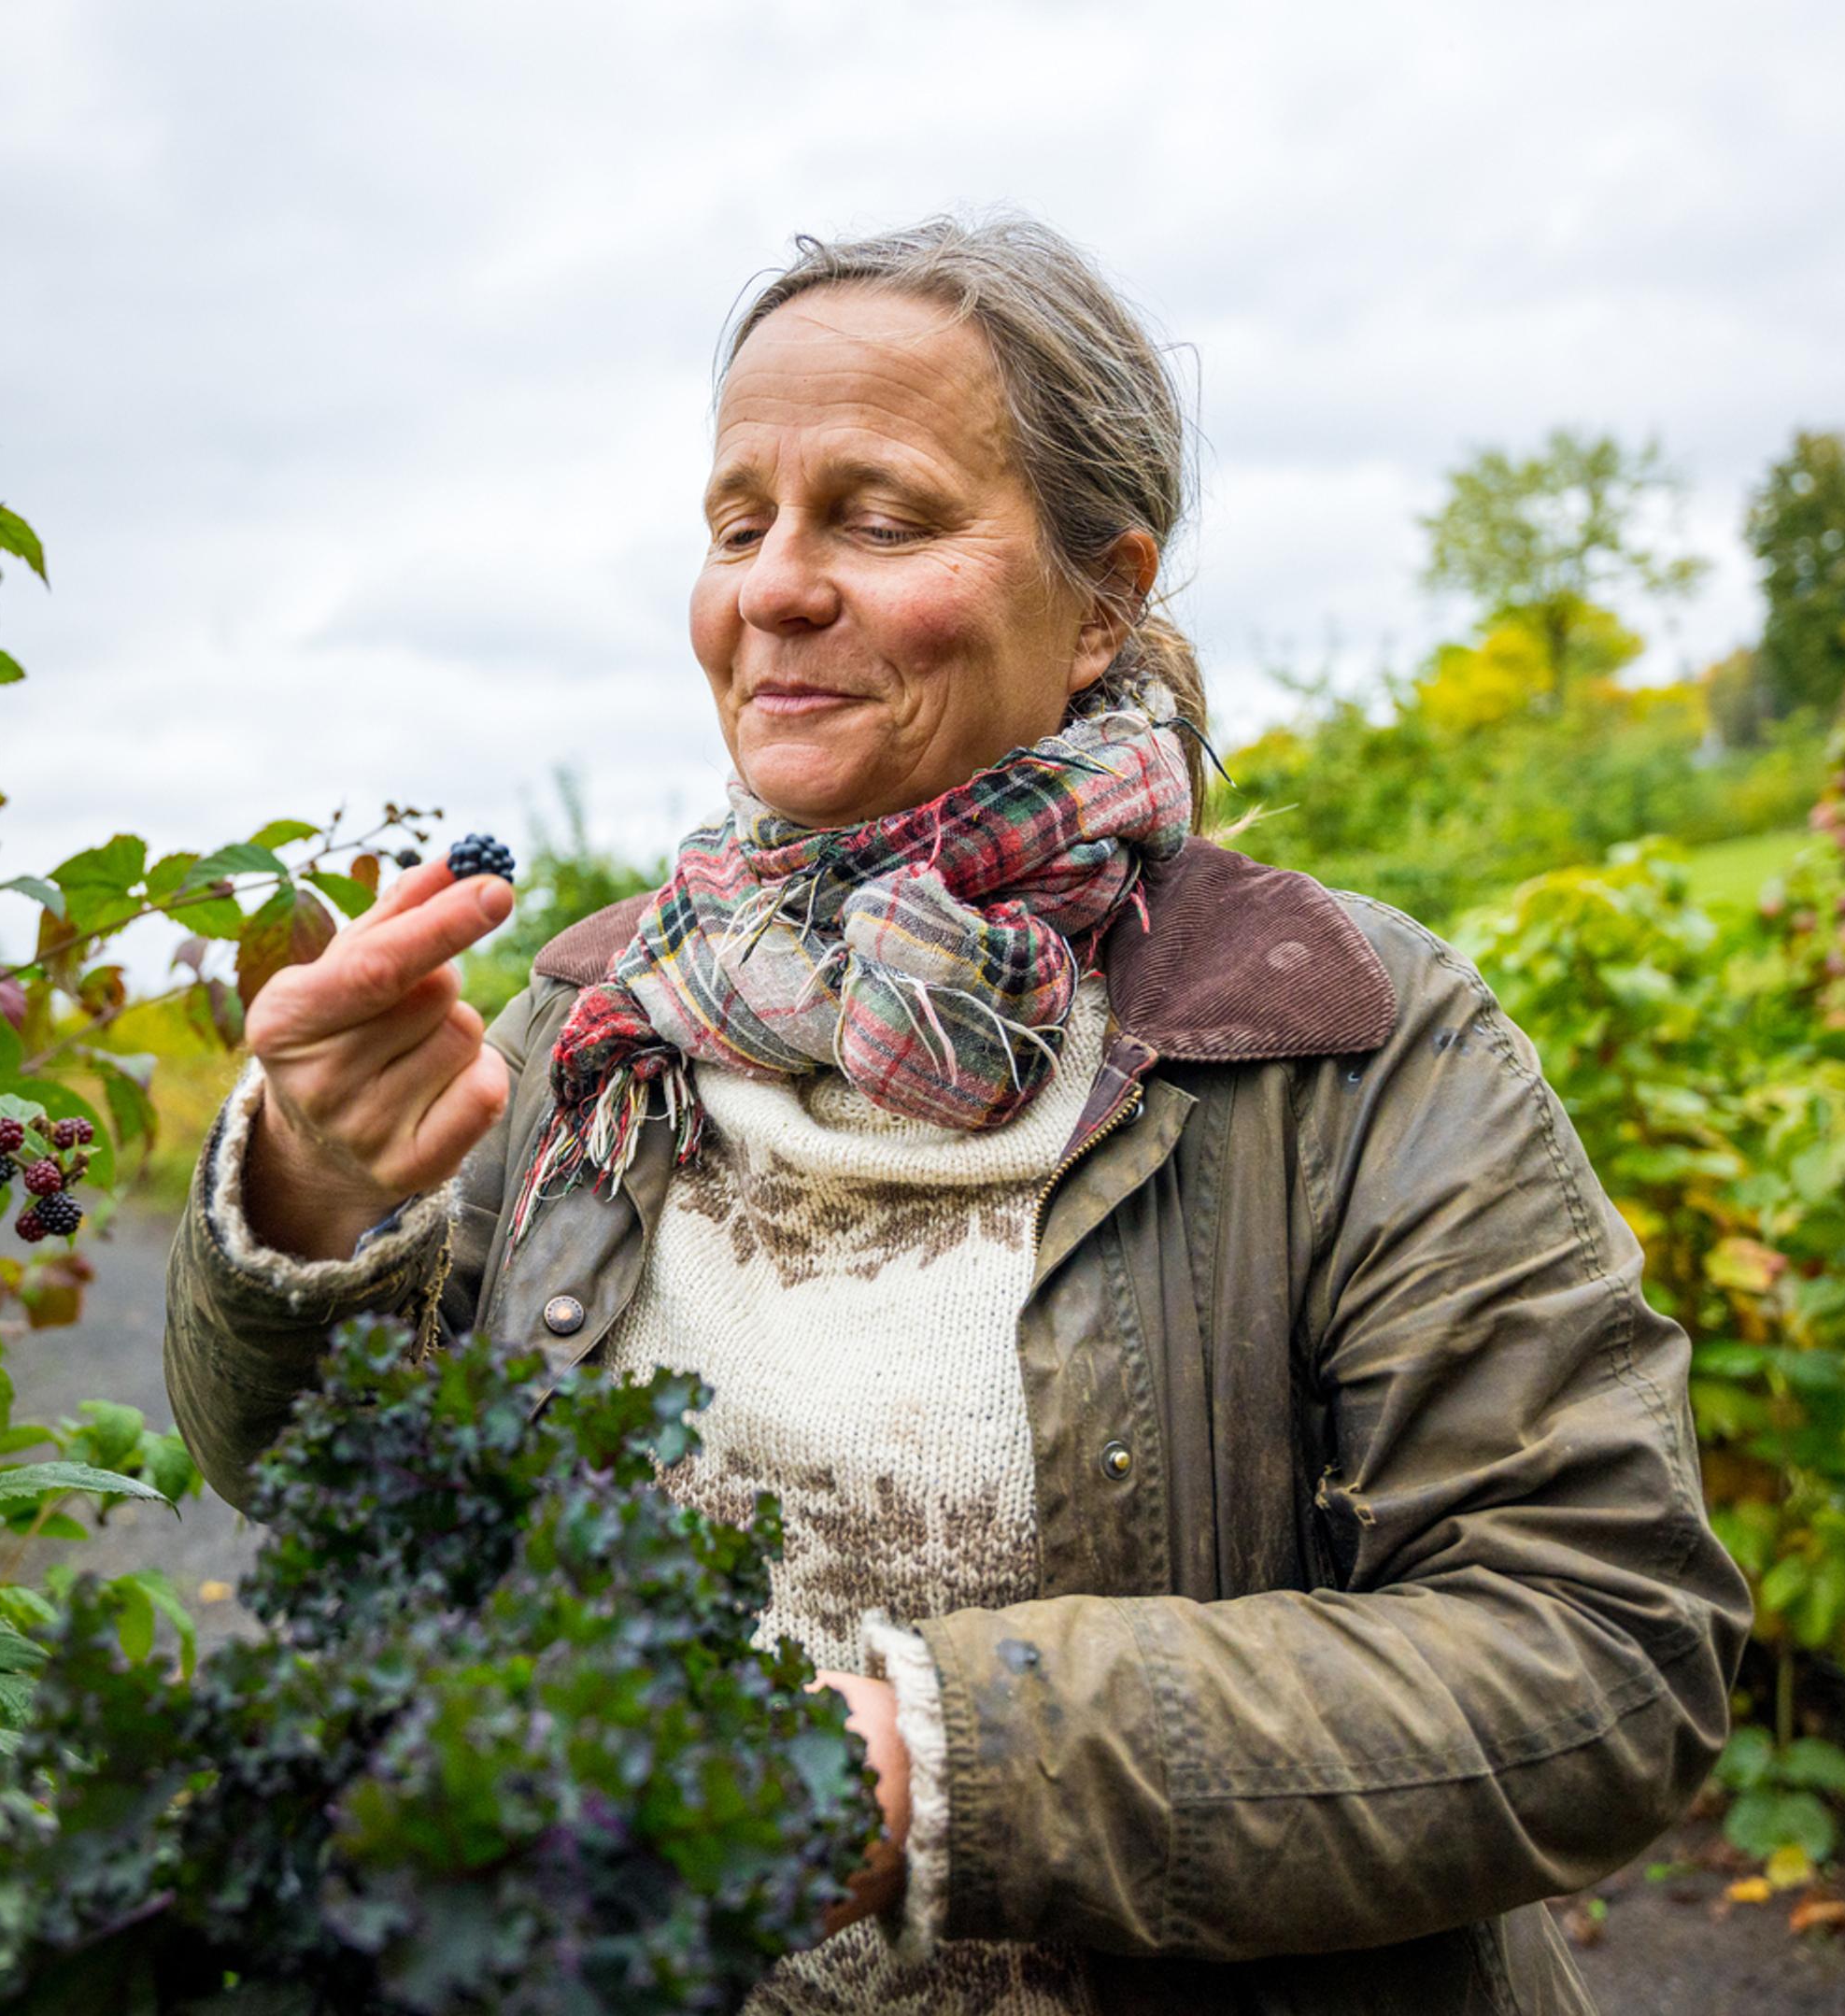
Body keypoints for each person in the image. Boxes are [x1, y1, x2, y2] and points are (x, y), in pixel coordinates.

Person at [164, 213, 1748, 2015]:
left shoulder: (1340, 1034)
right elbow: (304, 1488)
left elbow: (1602, 1646)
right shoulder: (601, 1024)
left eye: (879, 516)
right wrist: (310, 1196)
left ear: (1101, 602)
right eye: (739, 522)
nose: (770, 587)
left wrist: (932, 1772)